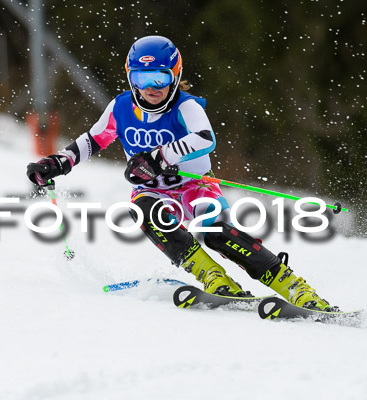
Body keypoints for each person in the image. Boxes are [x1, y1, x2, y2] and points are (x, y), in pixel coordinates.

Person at [26, 35, 333, 311]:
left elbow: (204, 138)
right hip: (155, 192)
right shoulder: (120, 108)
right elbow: (93, 141)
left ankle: (294, 288)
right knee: (144, 209)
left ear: (174, 76)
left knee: (216, 234)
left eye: (159, 78)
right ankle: (212, 276)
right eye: (142, 78)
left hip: (196, 187)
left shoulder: (186, 107)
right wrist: (57, 163)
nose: (151, 88)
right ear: (131, 78)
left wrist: (158, 158)